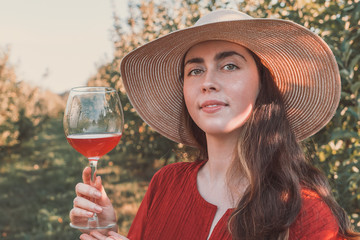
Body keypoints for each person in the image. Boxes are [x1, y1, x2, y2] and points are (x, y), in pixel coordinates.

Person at [70, 9, 360, 240]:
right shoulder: (166, 184)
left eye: (230, 65)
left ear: (263, 85)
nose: (207, 82)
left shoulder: (305, 212)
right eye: (195, 70)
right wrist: (106, 232)